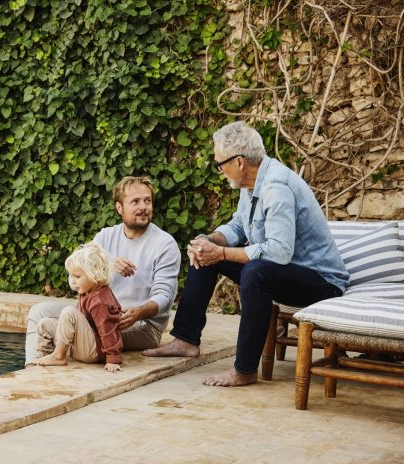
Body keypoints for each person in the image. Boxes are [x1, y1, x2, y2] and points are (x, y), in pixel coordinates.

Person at [143, 121, 349, 386]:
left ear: (239, 162)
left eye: (220, 164)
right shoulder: (250, 184)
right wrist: (210, 242)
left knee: (256, 271)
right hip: (284, 272)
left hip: (321, 282)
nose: (219, 170)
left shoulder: (277, 187)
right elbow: (239, 225)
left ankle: (244, 369)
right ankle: (186, 339)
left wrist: (224, 254)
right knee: (205, 255)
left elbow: (278, 252)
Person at [25, 176, 181, 366]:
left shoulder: (164, 244)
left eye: (147, 201)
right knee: (39, 311)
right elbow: (74, 280)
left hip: (141, 326)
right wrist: (106, 265)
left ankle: (58, 357)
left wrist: (138, 313)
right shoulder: (105, 236)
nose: (143, 207)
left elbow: (165, 297)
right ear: (119, 208)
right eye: (135, 202)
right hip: (97, 313)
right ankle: (33, 365)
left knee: (83, 325)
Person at [30, 242, 124, 372]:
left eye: (77, 276)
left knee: (69, 312)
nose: (72, 281)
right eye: (71, 276)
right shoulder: (87, 291)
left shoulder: (100, 301)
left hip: (94, 351)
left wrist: (113, 358)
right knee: (44, 324)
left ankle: (58, 356)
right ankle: (42, 359)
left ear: (95, 275)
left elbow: (108, 329)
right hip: (82, 345)